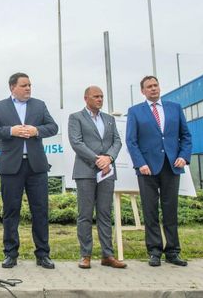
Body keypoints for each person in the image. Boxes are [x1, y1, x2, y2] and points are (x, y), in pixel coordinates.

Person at [0, 72, 58, 269]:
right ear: (12, 87)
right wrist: (11, 131)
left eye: (30, 85)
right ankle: (10, 254)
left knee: (40, 211)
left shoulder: (39, 105)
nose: (28, 88)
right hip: (11, 167)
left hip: (36, 167)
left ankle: (43, 254)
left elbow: (53, 127)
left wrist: (37, 131)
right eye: (24, 85)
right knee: (11, 211)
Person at [126, 76, 192, 267]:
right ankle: (154, 251)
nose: (153, 89)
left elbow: (186, 136)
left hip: (171, 166)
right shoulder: (135, 111)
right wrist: (140, 163)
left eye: (155, 85)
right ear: (143, 91)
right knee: (150, 210)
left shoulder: (175, 108)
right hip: (147, 168)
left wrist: (184, 156)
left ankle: (172, 251)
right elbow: (131, 140)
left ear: (159, 87)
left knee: (170, 210)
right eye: (149, 86)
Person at [68, 86, 126, 269]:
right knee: (85, 214)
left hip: (107, 172)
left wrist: (109, 158)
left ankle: (107, 255)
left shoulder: (109, 119)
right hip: (85, 171)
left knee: (105, 214)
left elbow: (117, 141)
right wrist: (97, 159)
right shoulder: (76, 117)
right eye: (96, 96)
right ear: (86, 98)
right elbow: (76, 142)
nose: (100, 99)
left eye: (101, 96)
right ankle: (85, 255)